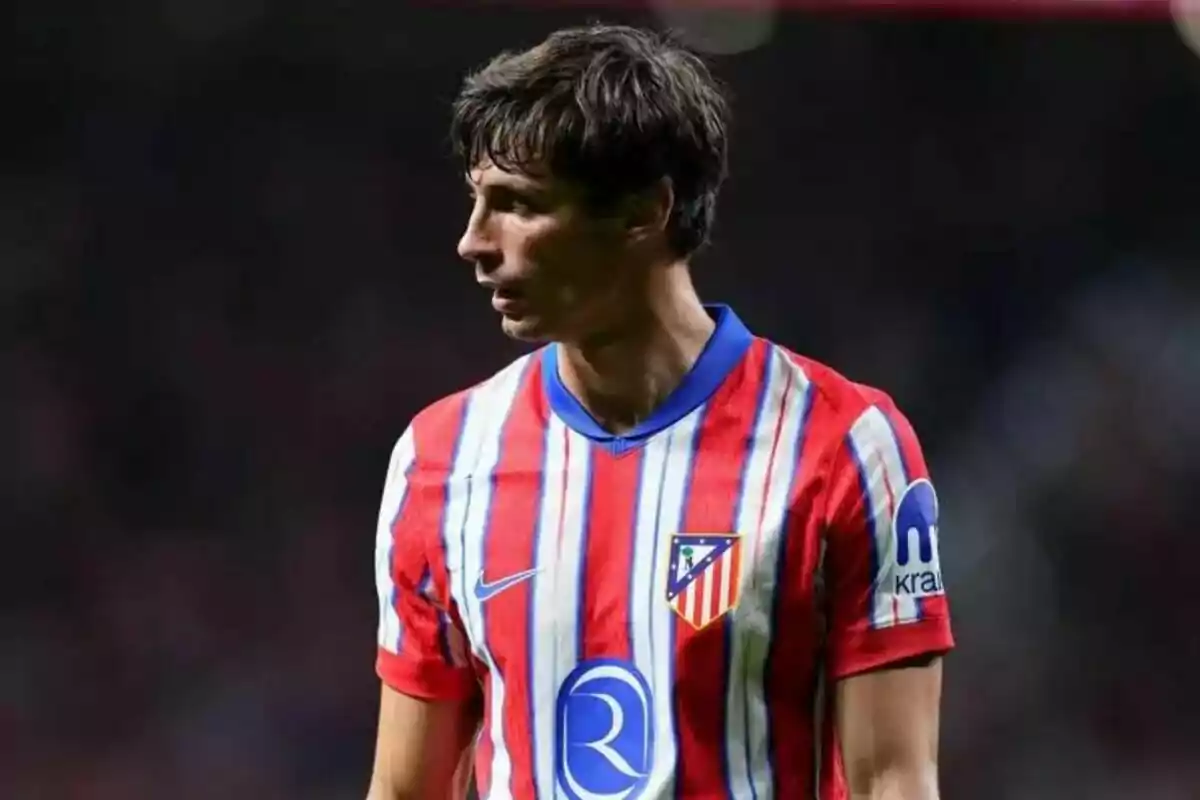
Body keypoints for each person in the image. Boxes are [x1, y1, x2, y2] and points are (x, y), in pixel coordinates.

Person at [367, 23, 953, 800]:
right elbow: (407, 789)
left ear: (646, 211)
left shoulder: (842, 446)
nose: (473, 242)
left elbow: (893, 781)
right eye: (478, 202)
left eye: (519, 205)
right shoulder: (439, 461)